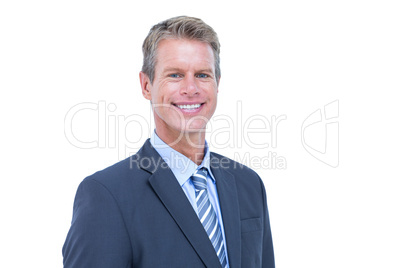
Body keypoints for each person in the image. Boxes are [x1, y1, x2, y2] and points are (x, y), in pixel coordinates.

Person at [63, 16, 275, 268]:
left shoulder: (248, 184)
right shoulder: (106, 195)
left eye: (202, 74)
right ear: (146, 85)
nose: (190, 88)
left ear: (217, 83)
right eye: (175, 75)